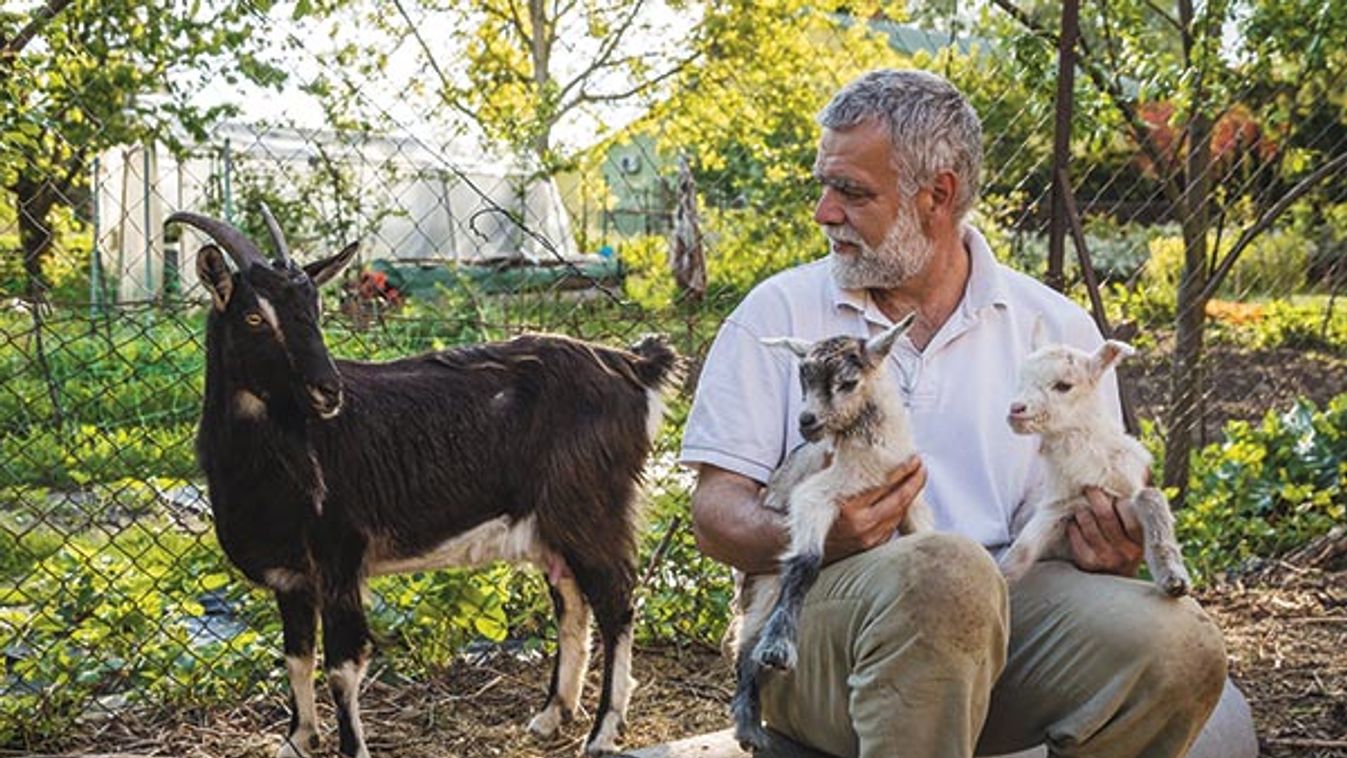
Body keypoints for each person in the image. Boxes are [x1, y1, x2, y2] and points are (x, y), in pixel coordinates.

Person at [681, 69, 1240, 758]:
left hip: (1006, 604)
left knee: (1176, 645)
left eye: (851, 192)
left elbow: (1072, 522)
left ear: (937, 196)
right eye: (822, 185)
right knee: (945, 574)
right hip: (823, 624)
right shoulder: (778, 313)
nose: (823, 211)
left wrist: (1107, 545)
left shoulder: (1051, 328)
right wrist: (826, 535)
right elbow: (713, 515)